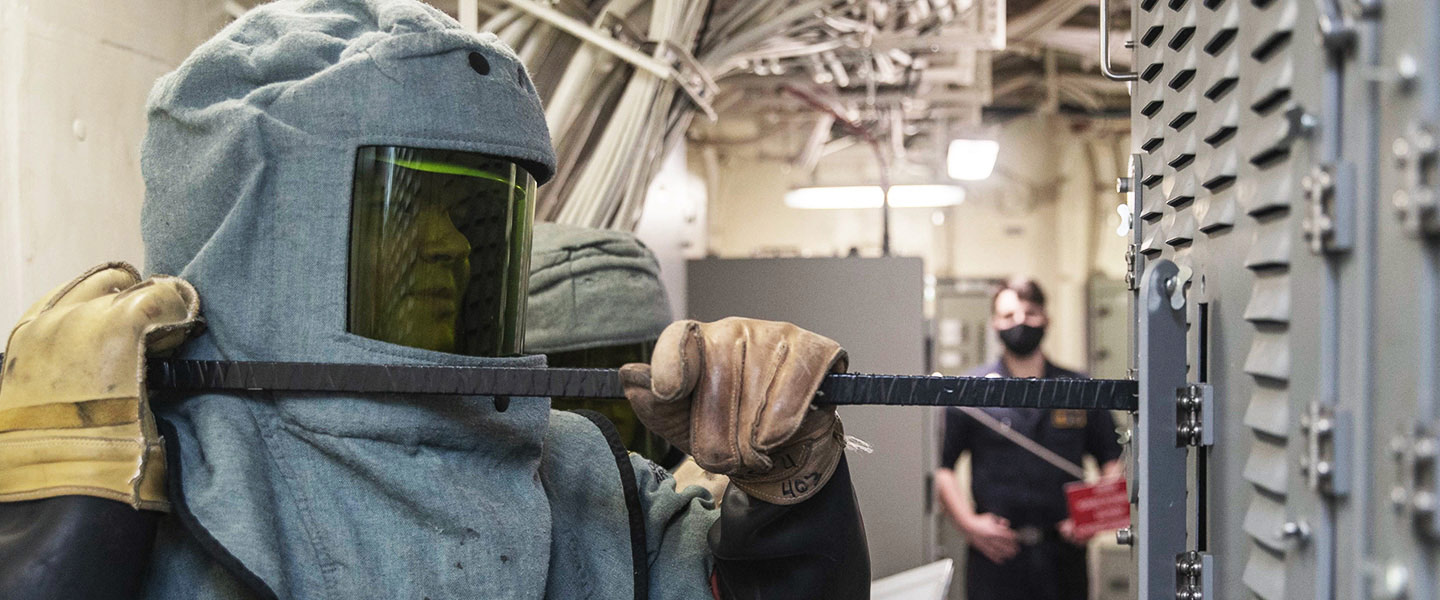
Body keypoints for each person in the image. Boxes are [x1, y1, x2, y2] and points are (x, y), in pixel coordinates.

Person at [0, 1, 868, 598]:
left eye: (482, 216)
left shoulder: (579, 479)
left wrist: (793, 495)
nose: (456, 250)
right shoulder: (134, 484)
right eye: (417, 209)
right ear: (263, 231)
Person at [933, 277, 1123, 600]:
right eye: (1009, 315)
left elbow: (1113, 459)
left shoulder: (1079, 388)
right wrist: (968, 524)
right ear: (994, 323)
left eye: (1030, 312)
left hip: (1063, 558)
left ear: (1046, 319)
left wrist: (1091, 518)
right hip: (995, 557)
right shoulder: (971, 391)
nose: (1020, 322)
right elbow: (942, 467)